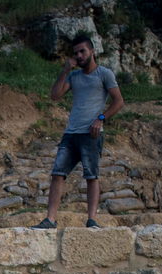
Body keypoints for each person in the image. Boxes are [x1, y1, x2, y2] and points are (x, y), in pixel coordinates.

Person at [33, 34, 124, 229]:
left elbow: (119, 101)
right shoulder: (74, 76)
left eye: (83, 51)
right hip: (71, 132)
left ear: (92, 51)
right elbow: (55, 95)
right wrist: (66, 70)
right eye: (76, 53)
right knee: (58, 173)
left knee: (91, 175)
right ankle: (50, 219)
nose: (80, 56)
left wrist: (101, 119)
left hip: (91, 133)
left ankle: (92, 220)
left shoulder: (104, 74)